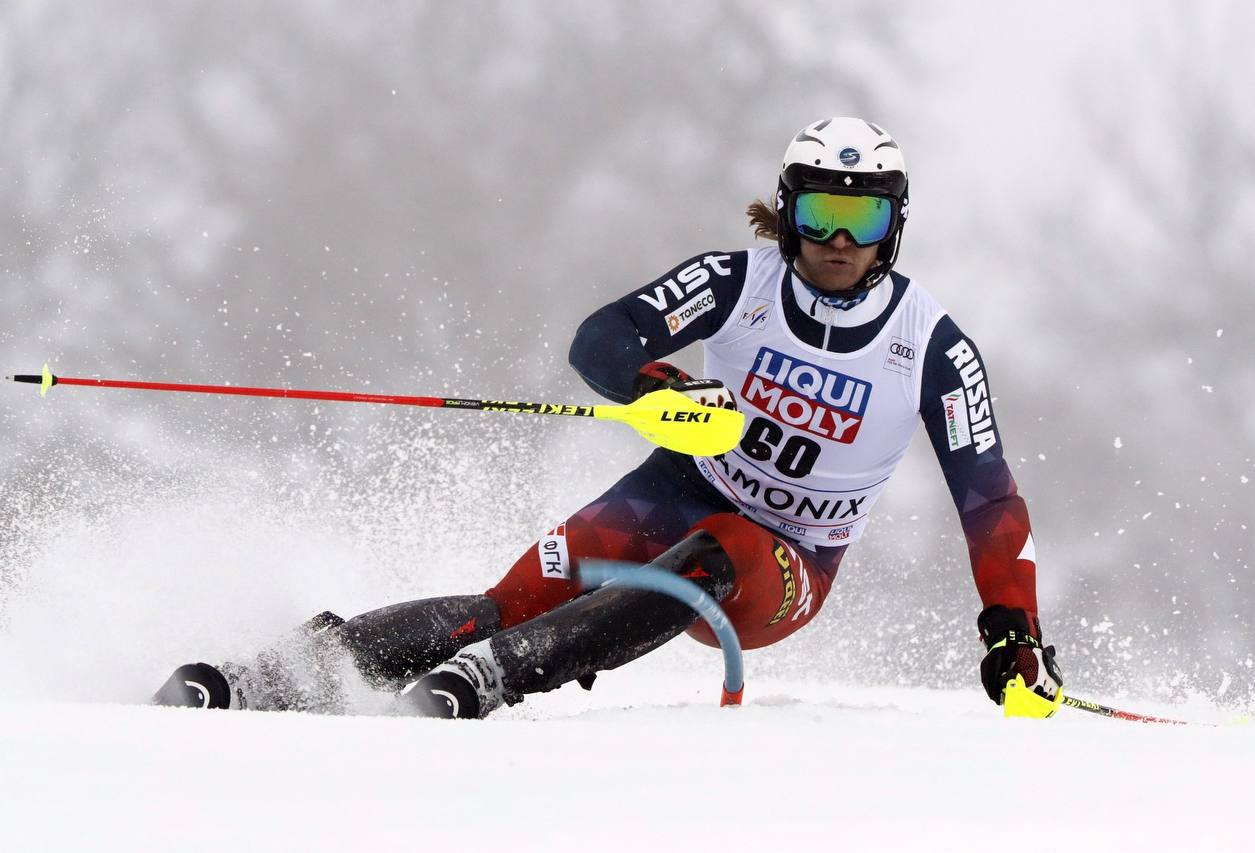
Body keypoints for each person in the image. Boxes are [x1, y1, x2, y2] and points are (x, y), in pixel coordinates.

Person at [155, 117, 1063, 718]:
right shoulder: (736, 283)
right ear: (786, 213)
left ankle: (491, 682)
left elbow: (990, 504)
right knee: (504, 603)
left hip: (787, 556)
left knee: (718, 552)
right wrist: (667, 393)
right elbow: (602, 339)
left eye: (860, 218)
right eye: (820, 211)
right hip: (672, 489)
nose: (837, 240)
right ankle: (269, 678)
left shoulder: (931, 344)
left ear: (892, 227)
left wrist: (1012, 631)